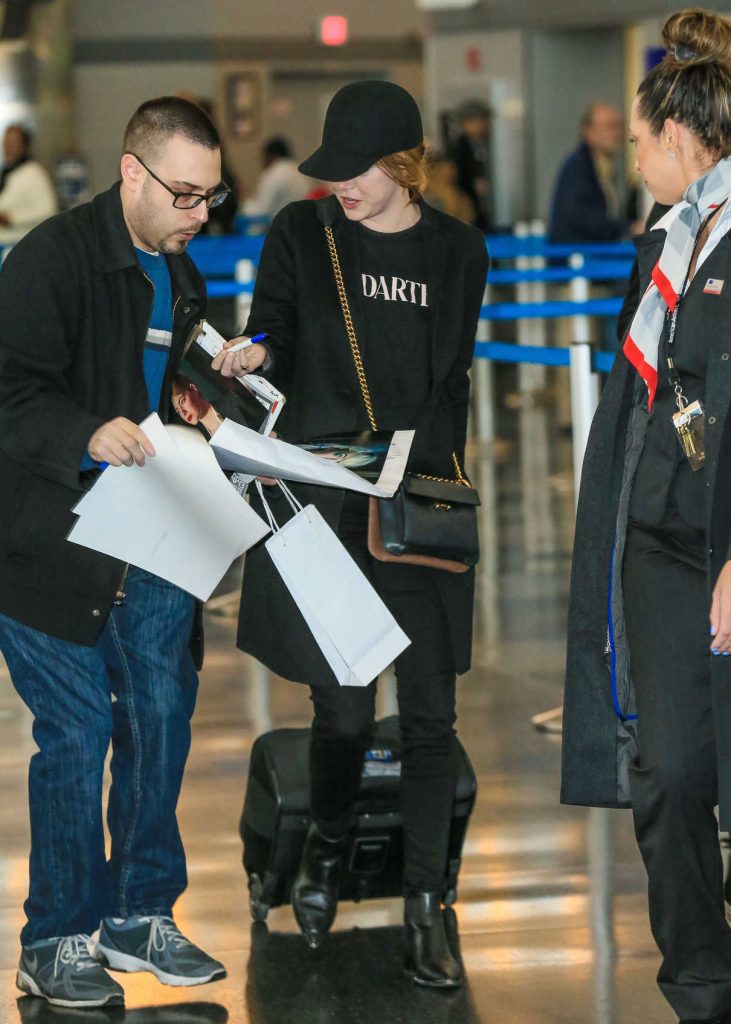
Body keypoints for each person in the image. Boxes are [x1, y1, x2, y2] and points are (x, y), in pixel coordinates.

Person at [213, 79, 488, 988]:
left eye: (358, 172)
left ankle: (422, 905)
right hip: (327, 503)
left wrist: (435, 486)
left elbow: (449, 386)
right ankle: (326, 848)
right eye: (333, 174)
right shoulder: (303, 232)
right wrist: (254, 352)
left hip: (417, 500)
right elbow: (277, 331)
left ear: (403, 164)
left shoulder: (459, 251)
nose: (343, 188)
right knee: (340, 708)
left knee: (429, 713)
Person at [0, 96, 232, 1009]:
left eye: (211, 198)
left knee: (160, 719)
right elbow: (11, 394)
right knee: (78, 734)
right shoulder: (48, 262)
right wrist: (87, 432)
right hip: (48, 548)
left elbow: (170, 374)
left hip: (152, 537)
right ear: (131, 171)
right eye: (184, 194)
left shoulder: (179, 273)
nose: (198, 215)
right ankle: (55, 935)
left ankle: (139, 914)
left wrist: (212, 383)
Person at [562, 10, 731, 1023]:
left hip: (720, 547)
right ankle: (699, 983)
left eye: (636, 140)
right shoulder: (664, 242)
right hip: (657, 546)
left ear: (677, 133)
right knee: (664, 772)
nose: (628, 157)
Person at [548, 102, 641, 244]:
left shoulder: (603, 166)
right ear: (589, 132)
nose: (617, 133)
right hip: (577, 257)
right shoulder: (578, 168)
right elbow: (582, 217)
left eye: (619, 126)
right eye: (610, 126)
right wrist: (628, 227)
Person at [0, 123, 57, 243]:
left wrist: (11, 218)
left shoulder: (33, 172)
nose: (8, 145)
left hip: (19, 242)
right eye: (6, 140)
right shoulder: (8, 172)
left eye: (13, 141)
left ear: (24, 145)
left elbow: (47, 209)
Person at [241, 135, 309, 223]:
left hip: (282, 229)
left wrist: (241, 202)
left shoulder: (273, 173)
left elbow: (260, 211)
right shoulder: (300, 171)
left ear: (270, 156)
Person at [448, 100, 492, 231]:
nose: (485, 126)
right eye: (482, 121)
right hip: (467, 204)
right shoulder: (460, 146)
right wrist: (475, 181)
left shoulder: (480, 143)